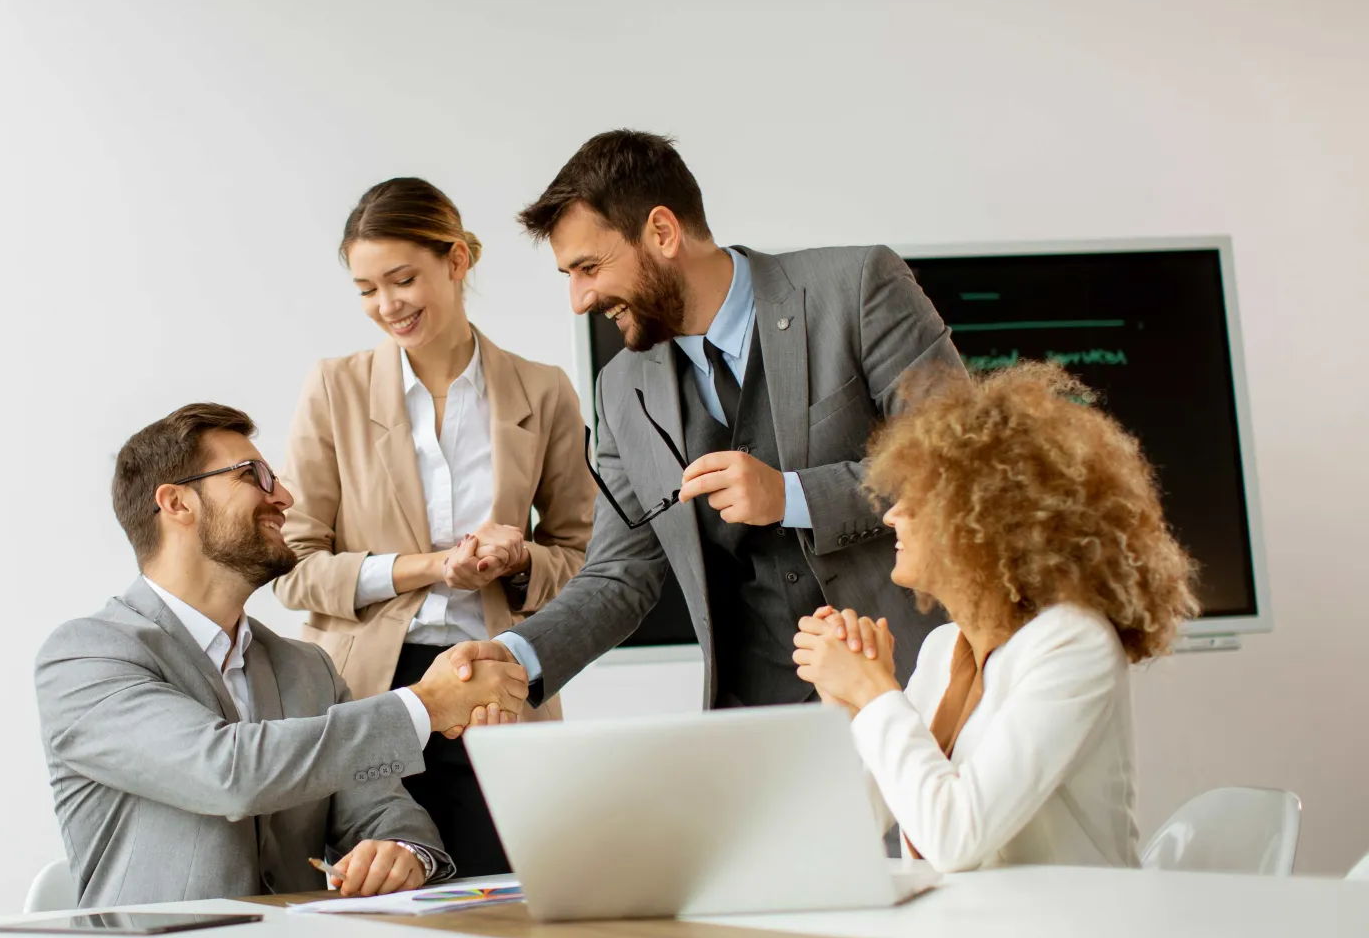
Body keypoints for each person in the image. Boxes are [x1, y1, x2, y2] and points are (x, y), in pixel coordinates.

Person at [448, 129, 964, 716]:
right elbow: (620, 574)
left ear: (663, 232)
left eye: (589, 267)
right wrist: (513, 656)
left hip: (918, 686)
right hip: (756, 720)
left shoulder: (859, 287)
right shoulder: (621, 391)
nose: (579, 297)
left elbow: (959, 467)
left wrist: (790, 495)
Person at [34, 403, 529, 905]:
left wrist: (400, 850)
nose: (285, 497)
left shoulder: (307, 667)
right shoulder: (85, 658)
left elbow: (383, 809)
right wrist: (426, 704)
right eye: (256, 476)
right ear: (177, 503)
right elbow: (229, 772)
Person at [273, 177, 595, 876]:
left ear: (456, 261)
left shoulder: (543, 392)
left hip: (497, 694)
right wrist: (429, 567)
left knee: (504, 911)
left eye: (402, 279)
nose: (386, 305)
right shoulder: (335, 389)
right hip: (369, 697)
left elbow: (586, 558)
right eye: (366, 288)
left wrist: (518, 563)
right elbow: (294, 569)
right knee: (376, 921)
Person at [792, 362, 1197, 872]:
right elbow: (847, 829)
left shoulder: (1073, 644)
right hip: (965, 932)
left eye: (913, 500)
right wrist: (849, 704)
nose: (890, 515)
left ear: (980, 520)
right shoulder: (945, 648)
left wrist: (876, 693)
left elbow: (955, 839)